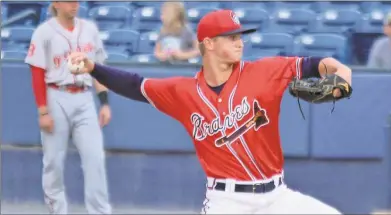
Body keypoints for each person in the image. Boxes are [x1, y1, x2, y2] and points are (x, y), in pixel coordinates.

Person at [68, 9, 352, 214]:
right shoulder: (183, 92)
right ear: (209, 44)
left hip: (277, 197)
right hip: (226, 202)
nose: (240, 42)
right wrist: (93, 68)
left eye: (240, 36)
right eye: (230, 37)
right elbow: (134, 85)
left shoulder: (265, 71)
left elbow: (316, 64)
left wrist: (342, 72)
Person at [24, 1, 112, 214]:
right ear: (56, 4)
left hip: (84, 97)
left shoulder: (89, 29)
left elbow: (98, 70)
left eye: (76, 1)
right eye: (69, 1)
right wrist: (43, 111)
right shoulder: (44, 32)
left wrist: (104, 103)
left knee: (95, 160)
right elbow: (37, 73)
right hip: (56, 95)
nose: (75, 5)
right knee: (53, 162)